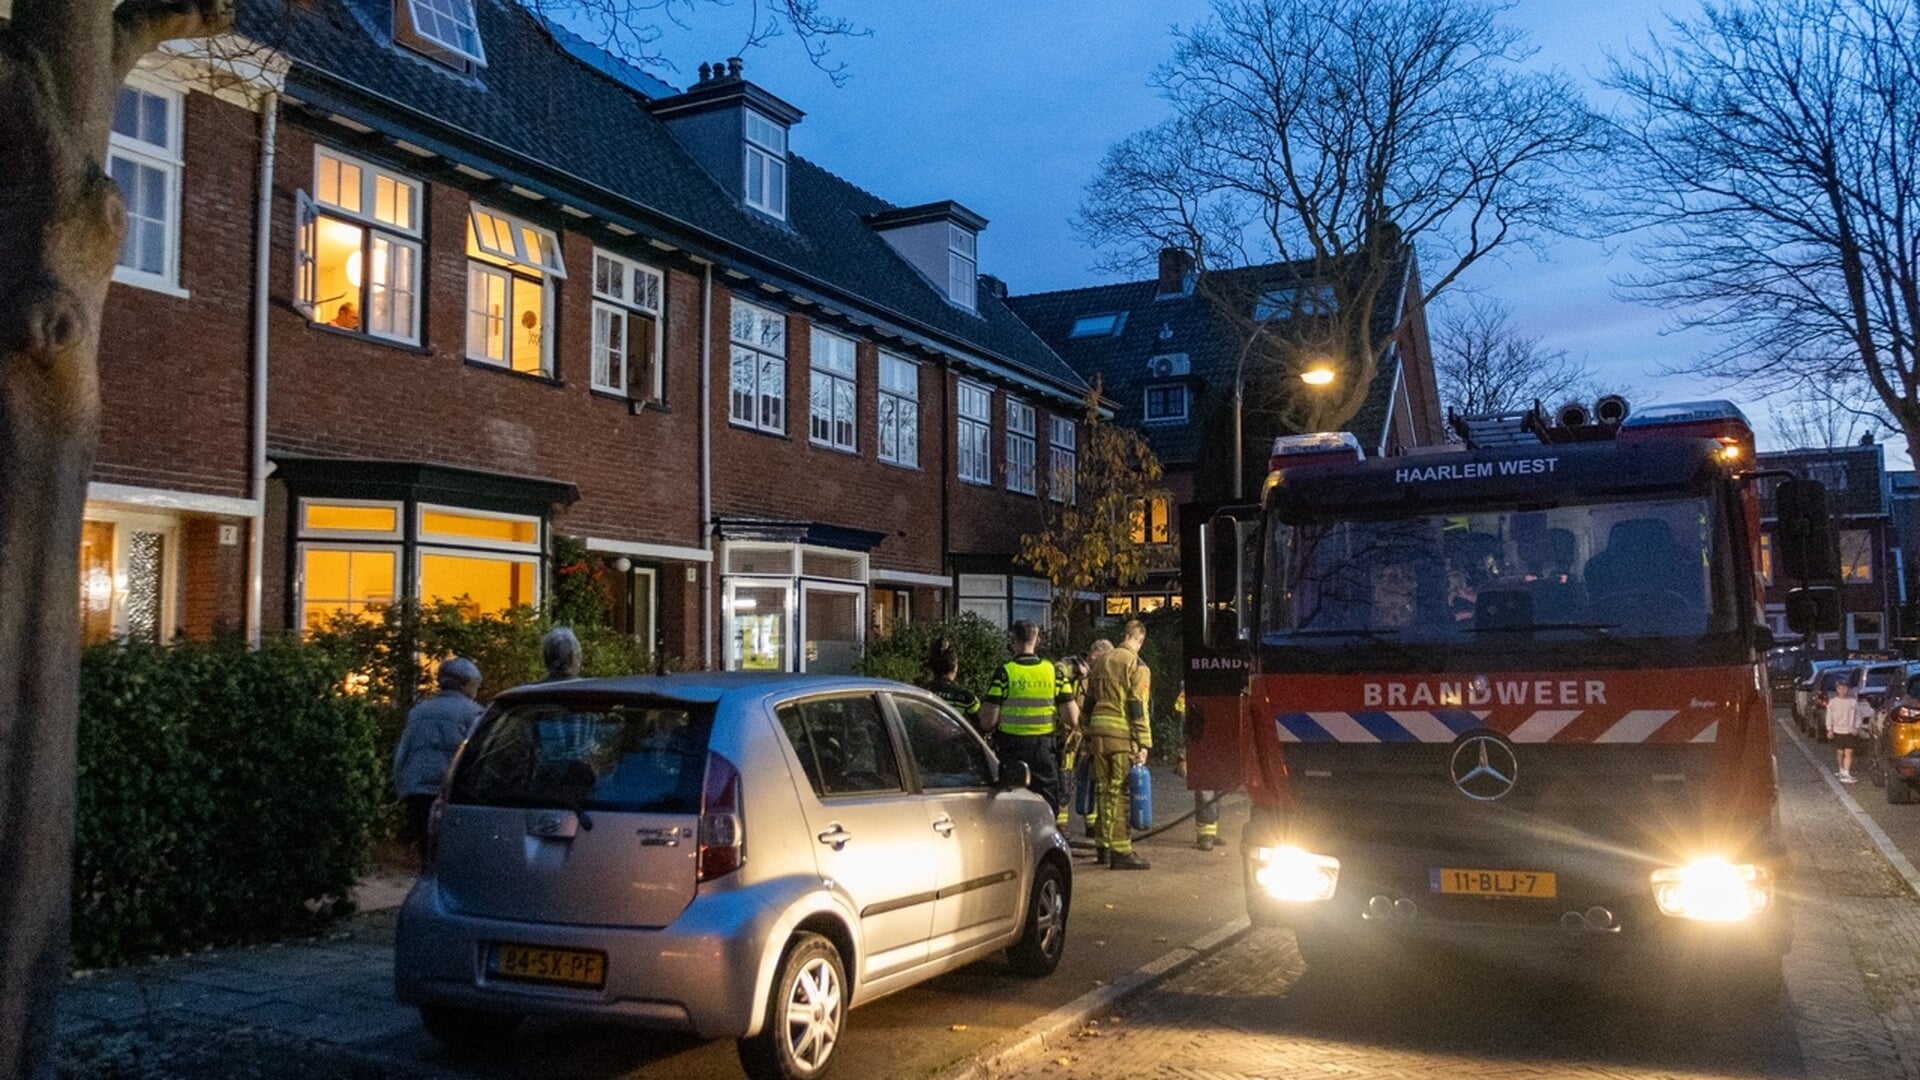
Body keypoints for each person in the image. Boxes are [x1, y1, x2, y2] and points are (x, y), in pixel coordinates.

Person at [392, 657, 486, 864]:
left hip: (417, 794)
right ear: (465, 684)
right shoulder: (476, 714)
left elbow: (403, 753)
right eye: (475, 685)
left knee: (427, 854)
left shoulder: (418, 712)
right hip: (451, 796)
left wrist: (402, 788)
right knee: (452, 858)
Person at [979, 620, 1075, 815]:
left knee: (1012, 802)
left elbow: (988, 721)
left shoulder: (1004, 673)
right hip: (1044, 749)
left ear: (1013, 641)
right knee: (1047, 804)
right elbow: (1072, 718)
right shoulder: (1054, 672)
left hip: (1011, 749)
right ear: (1037, 640)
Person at [1085, 620, 1153, 870]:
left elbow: (1089, 700)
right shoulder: (1137, 665)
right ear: (1140, 639)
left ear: (1124, 635)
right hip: (1120, 737)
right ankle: (1121, 851)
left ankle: (1103, 847)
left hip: (1098, 732)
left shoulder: (1103, 660)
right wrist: (1143, 741)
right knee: (1120, 791)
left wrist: (1085, 731)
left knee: (1103, 790)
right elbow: (1137, 705)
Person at [1178, 686, 1219, 851]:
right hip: (1199, 736)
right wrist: (1182, 754)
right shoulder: (1195, 683)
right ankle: (1206, 834)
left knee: (1217, 783)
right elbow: (1183, 722)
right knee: (1206, 785)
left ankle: (1212, 830)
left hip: (1216, 737)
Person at [920, 636, 981, 729]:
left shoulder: (919, 693)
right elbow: (983, 725)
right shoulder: (967, 699)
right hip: (955, 742)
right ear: (955, 666)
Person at [1827, 678, 1869, 782]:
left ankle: (1846, 773)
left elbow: (1858, 716)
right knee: (1840, 752)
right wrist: (1829, 729)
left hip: (1849, 731)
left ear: (1848, 690)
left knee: (1849, 752)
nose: (1842, 691)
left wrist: (1856, 727)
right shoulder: (1832, 702)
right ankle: (1841, 769)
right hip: (1838, 730)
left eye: (1844, 688)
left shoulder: (1852, 702)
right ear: (1837, 690)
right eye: (1840, 688)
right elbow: (1829, 716)